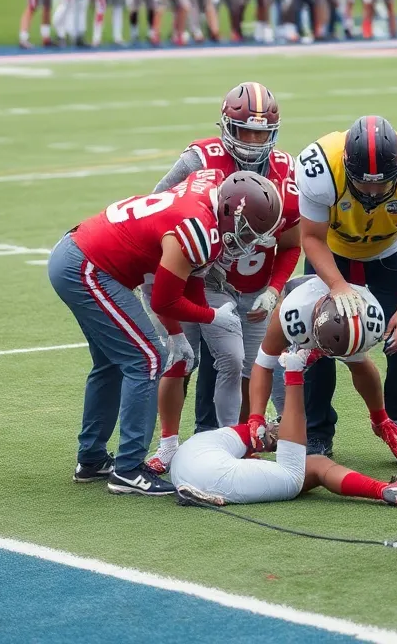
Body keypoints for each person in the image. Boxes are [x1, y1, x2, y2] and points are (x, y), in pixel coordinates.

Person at [49, 169, 281, 496]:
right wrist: (212, 315)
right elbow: (163, 297)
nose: (248, 243)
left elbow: (188, 277)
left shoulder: (209, 197)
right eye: (248, 233)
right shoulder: (200, 229)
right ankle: (128, 469)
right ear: (232, 214)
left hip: (80, 255)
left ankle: (92, 458)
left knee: (112, 364)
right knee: (147, 360)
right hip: (87, 265)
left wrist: (179, 335)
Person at [171, 283, 397, 507]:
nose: (282, 431)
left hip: (189, 472)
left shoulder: (224, 442)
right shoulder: (290, 314)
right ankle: (385, 489)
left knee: (314, 468)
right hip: (203, 476)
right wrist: (293, 373)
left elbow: (362, 365)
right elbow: (265, 373)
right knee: (305, 468)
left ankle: (383, 427)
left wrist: (257, 421)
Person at [143, 84, 301, 472]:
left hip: (251, 287)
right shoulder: (201, 159)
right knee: (181, 359)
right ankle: (168, 445)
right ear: (226, 126)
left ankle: (235, 442)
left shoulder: (286, 170)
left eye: (260, 134)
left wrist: (275, 289)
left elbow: (293, 242)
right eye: (244, 131)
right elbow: (158, 209)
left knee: (249, 367)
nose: (251, 142)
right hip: (195, 278)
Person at [297, 116, 397, 463]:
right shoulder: (321, 167)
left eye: (382, 185)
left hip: (392, 248)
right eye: (364, 184)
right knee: (315, 341)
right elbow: (311, 238)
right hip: (332, 249)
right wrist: (336, 285)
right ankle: (316, 433)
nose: (374, 193)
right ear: (347, 166)